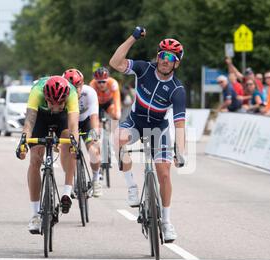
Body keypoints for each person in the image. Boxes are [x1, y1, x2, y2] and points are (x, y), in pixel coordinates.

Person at [109, 26, 186, 243]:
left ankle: (166, 221)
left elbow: (179, 124)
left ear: (176, 63)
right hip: (136, 121)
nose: (164, 60)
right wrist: (133, 37)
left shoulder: (177, 89)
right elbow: (115, 63)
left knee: (164, 173)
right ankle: (132, 186)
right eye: (162, 55)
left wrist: (180, 151)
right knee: (118, 138)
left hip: (158, 129)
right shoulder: (144, 69)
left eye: (170, 57)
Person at [16, 76, 79, 234]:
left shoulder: (71, 94)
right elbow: (29, 122)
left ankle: (67, 192)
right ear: (46, 97)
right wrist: (23, 143)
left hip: (62, 120)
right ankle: (35, 214)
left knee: (69, 144)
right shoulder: (37, 92)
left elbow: (73, 125)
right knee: (35, 159)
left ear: (65, 99)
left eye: (60, 103)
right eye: (51, 102)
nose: (55, 107)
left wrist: (74, 144)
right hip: (40, 118)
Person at [63, 68, 103, 197]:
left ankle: (96, 180)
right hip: (69, 122)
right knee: (65, 150)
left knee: (93, 150)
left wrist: (95, 135)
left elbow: (94, 117)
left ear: (82, 84)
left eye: (78, 87)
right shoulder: (62, 94)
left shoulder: (89, 92)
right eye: (71, 88)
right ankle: (72, 180)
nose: (75, 91)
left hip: (86, 121)